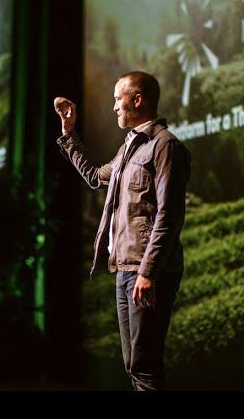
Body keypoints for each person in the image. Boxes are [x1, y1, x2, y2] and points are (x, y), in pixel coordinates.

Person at [55, 71, 191, 391]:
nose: (114, 106)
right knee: (135, 365)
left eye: (118, 99)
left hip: (146, 271)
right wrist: (69, 133)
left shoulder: (164, 146)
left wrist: (148, 272)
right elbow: (93, 175)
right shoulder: (129, 147)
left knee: (144, 364)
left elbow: (169, 216)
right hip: (125, 269)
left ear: (137, 99)